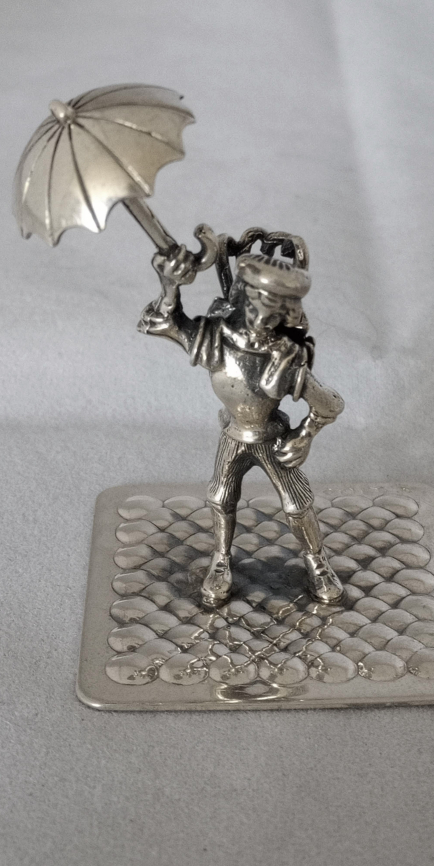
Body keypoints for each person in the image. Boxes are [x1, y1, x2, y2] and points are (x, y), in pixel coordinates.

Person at [138, 241, 345, 608]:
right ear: (243, 299)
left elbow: (329, 404)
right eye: (260, 304)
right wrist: (170, 285)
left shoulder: (285, 359)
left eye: (277, 309)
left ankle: (317, 561)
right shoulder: (216, 339)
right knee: (220, 496)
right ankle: (221, 559)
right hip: (234, 432)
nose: (266, 318)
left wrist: (304, 436)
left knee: (297, 504)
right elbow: (162, 322)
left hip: (271, 436)